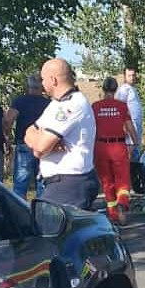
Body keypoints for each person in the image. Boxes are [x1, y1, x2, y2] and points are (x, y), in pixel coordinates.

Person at [24, 59, 98, 209]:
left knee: (49, 228)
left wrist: (41, 143)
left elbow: (40, 148)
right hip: (60, 183)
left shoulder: (71, 105)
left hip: (69, 184)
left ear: (53, 80)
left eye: (43, 79)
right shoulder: (56, 104)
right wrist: (41, 141)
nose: (42, 84)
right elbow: (29, 132)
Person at [92, 78, 140, 225]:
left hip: (100, 147)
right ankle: (122, 202)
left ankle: (113, 214)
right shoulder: (121, 106)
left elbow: (90, 128)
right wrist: (135, 142)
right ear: (115, 89)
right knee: (123, 179)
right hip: (118, 146)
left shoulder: (95, 107)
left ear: (103, 89)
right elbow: (129, 126)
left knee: (107, 181)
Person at [4, 75, 50, 200]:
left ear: (28, 86)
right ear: (42, 87)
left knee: (20, 181)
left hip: (24, 144)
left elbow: (8, 120)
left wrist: (7, 137)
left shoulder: (19, 101)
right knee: (42, 181)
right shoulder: (48, 104)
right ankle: (42, 211)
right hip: (43, 146)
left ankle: (19, 210)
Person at [114, 67, 144, 160]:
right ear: (125, 77)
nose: (132, 77)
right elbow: (119, 109)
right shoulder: (124, 89)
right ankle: (130, 173)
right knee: (130, 153)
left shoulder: (132, 89)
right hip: (130, 127)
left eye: (133, 75)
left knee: (136, 150)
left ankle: (134, 173)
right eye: (129, 75)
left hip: (136, 126)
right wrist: (123, 126)